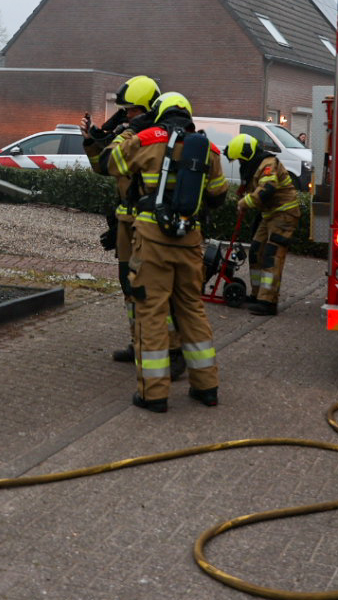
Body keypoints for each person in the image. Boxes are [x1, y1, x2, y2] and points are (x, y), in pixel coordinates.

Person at [106, 91, 228, 412]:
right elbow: (218, 196)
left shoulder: (147, 139)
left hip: (152, 241)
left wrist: (131, 133)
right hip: (190, 242)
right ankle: (207, 387)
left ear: (158, 113)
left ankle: (154, 393)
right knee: (192, 309)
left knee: (151, 312)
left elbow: (112, 163)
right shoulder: (209, 149)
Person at [82, 76, 185, 380]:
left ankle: (173, 351)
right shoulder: (132, 133)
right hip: (128, 223)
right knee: (130, 288)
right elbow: (105, 166)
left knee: (156, 291)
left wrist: (124, 132)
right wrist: (92, 139)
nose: (124, 117)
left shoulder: (151, 137)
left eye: (128, 111)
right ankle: (139, 342)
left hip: (150, 226)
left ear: (144, 110)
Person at [223, 134, 301, 316]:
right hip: (270, 216)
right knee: (257, 251)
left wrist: (244, 203)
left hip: (284, 215)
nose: (241, 163)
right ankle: (257, 295)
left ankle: (268, 302)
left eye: (241, 159)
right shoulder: (255, 166)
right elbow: (252, 191)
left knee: (271, 255)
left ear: (247, 154)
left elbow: (267, 189)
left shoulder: (268, 164)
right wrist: (243, 199)